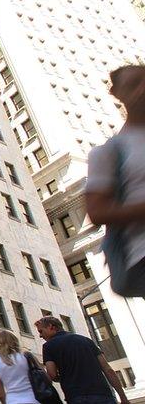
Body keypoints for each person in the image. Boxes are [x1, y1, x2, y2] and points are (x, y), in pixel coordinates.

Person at [85, 63, 145, 296]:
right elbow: (97, 212)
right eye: (133, 85)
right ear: (117, 94)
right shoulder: (109, 151)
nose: (142, 89)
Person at [35, 316, 129, 404]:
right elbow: (108, 370)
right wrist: (123, 396)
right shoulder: (87, 340)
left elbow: (52, 374)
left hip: (76, 396)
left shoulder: (48, 346)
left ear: (51, 327)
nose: (40, 335)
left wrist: (63, 377)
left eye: (41, 331)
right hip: (103, 394)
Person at [0, 330, 45, 404]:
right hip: (33, 399)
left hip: (12, 400)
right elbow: (44, 376)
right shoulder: (26, 356)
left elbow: (0, 393)